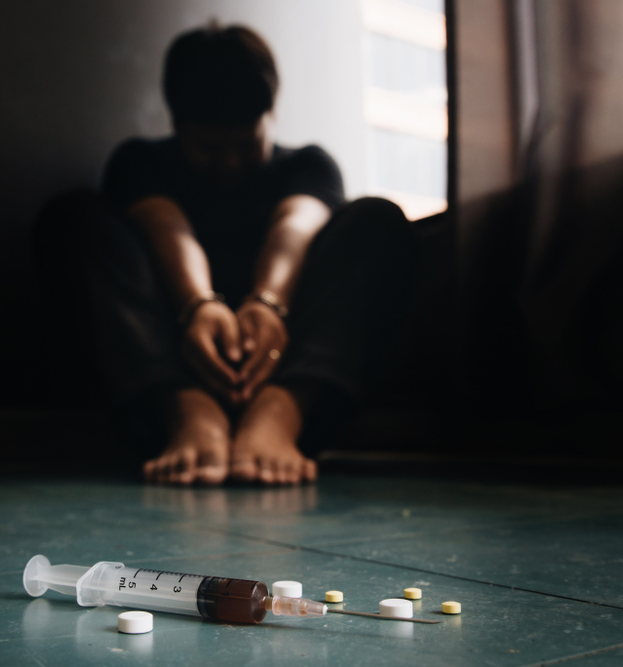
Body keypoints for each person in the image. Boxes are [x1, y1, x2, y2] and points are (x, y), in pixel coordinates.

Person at [35, 23, 420, 486]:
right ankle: (189, 411)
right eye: (210, 149)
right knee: (75, 217)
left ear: (271, 116)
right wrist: (199, 305)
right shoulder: (141, 162)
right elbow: (167, 228)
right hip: (161, 386)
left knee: (377, 219)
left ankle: (279, 413)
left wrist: (267, 302)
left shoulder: (308, 165)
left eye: (246, 144)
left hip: (293, 373)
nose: (231, 164)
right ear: (176, 125)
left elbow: (293, 227)